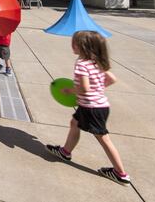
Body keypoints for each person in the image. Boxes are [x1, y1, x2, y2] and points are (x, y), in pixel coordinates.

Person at [46, 31, 130, 186]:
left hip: (91, 108)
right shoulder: (96, 62)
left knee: (103, 138)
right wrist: (98, 89)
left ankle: (120, 173)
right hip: (100, 105)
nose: (72, 45)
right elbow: (112, 79)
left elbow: (83, 87)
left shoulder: (82, 64)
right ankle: (65, 152)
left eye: (74, 42)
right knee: (74, 123)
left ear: (83, 46)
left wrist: (69, 91)